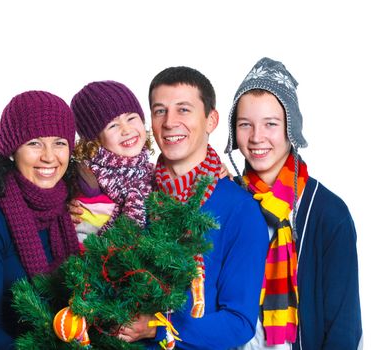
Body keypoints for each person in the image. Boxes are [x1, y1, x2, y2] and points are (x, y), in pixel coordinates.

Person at [116, 66, 269, 349]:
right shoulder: (133, 195)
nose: (170, 122)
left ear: (211, 120)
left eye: (183, 110)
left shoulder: (240, 210)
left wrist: (158, 329)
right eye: (160, 111)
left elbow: (239, 323)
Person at [225, 57, 362, 349]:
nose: (257, 137)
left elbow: (343, 327)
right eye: (245, 124)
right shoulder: (226, 202)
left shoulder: (328, 214)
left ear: (291, 128)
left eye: (270, 124)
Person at [0, 90, 80, 349]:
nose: (49, 156)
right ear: (12, 151)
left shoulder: (69, 210)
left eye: (59, 142)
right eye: (34, 143)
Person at [69, 80, 154, 248]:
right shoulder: (86, 181)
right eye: (113, 125)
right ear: (94, 140)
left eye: (131, 118)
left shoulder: (153, 173)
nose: (126, 129)